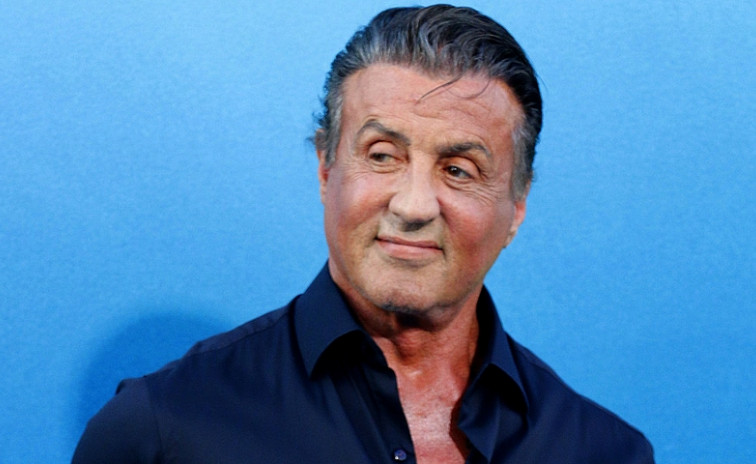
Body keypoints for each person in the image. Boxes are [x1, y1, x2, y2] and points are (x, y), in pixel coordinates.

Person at [73, 5, 654, 463]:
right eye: (382, 155)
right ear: (326, 169)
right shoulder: (162, 430)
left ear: (517, 205)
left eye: (459, 170)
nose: (414, 205)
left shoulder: (602, 452)